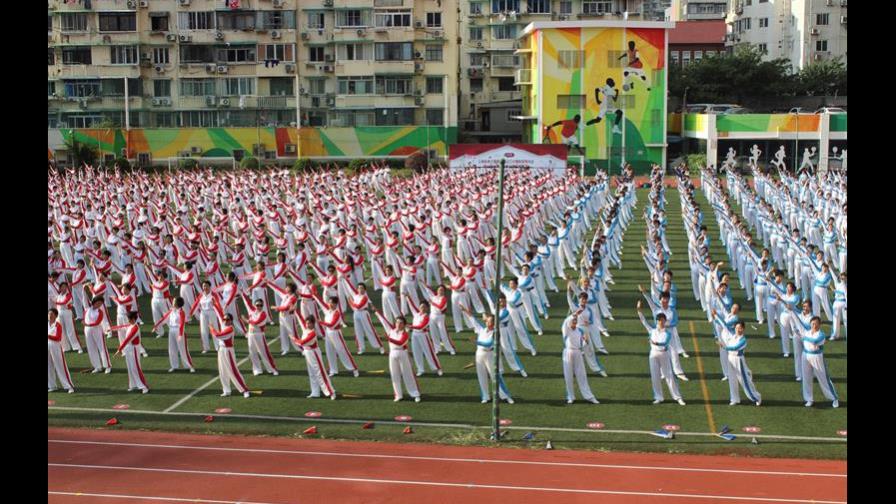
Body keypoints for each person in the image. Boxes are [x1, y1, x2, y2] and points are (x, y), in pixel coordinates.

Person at [461, 307, 514, 404]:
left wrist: (476, 342)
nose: (486, 322)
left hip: (490, 355)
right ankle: (485, 396)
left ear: (494, 323)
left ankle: (506, 396)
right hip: (479, 354)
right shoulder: (482, 329)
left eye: (489, 321)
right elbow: (474, 321)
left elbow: (489, 343)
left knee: (495, 376)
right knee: (481, 376)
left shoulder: (496, 332)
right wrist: (465, 310)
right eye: (486, 321)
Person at [637, 300, 686, 406]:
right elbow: (643, 321)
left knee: (669, 376)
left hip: (664, 354)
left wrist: (655, 343)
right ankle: (658, 397)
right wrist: (639, 310)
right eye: (659, 320)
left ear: (665, 321)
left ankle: (678, 397)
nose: (661, 322)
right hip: (653, 355)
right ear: (657, 321)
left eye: (663, 320)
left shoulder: (668, 333)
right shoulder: (652, 331)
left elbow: (665, 343)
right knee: (655, 376)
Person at [374, 311, 421, 402]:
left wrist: (388, 339)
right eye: (397, 322)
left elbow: (400, 343)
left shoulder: (405, 334)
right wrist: (377, 312)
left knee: (408, 374)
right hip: (392, 354)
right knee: (394, 375)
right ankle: (398, 395)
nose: (398, 324)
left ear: (404, 325)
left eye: (401, 323)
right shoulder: (391, 331)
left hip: (402, 354)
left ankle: (415, 393)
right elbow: (384, 321)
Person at [716, 320, 762, 406]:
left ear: (743, 329)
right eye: (736, 328)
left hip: (738, 360)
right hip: (730, 358)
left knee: (744, 381)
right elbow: (724, 325)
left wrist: (724, 347)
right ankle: (734, 399)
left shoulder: (743, 340)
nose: (738, 330)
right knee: (732, 379)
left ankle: (757, 397)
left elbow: (735, 348)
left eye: (740, 328)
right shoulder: (733, 336)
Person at [294, 312, 337, 400]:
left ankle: (331, 392)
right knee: (312, 373)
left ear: (313, 324)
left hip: (314, 353)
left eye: (309, 323)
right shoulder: (306, 329)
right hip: (307, 352)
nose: (307, 325)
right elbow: (301, 319)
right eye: (307, 323)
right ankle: (315, 392)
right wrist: (296, 311)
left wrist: (294, 339)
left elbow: (302, 342)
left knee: (320, 372)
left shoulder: (312, 333)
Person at [800, 316, 839, 408]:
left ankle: (834, 398)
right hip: (805, 355)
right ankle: (809, 399)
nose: (814, 325)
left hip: (817, 356)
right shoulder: (807, 332)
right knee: (806, 378)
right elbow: (799, 323)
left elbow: (815, 341)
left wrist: (805, 338)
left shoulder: (821, 335)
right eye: (812, 323)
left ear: (819, 325)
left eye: (816, 324)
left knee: (823, 378)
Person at [560, 314, 599, 404]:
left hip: (577, 352)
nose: (574, 321)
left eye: (575, 320)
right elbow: (565, 322)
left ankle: (589, 397)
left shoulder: (580, 330)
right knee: (568, 376)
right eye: (573, 320)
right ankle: (570, 397)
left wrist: (586, 338)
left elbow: (583, 343)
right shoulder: (566, 330)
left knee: (582, 375)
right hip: (567, 352)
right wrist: (575, 314)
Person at [210, 314, 251, 398]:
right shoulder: (224, 325)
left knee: (233, 370)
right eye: (224, 319)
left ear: (231, 321)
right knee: (222, 371)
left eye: (227, 319)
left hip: (228, 351)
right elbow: (219, 313)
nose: (225, 321)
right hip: (221, 350)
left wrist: (211, 328)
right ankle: (226, 390)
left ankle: (245, 390)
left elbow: (218, 335)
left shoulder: (230, 329)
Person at [240, 293, 279, 376]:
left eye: (260, 305)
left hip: (259, 334)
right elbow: (247, 301)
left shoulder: (263, 314)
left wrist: (246, 320)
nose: (259, 307)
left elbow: (257, 322)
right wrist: (242, 292)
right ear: (255, 305)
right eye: (257, 305)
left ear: (262, 306)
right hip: (251, 334)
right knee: (252, 352)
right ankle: (257, 369)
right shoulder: (252, 311)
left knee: (264, 352)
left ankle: (272, 369)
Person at [111, 311, 149, 394]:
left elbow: (128, 339)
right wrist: (111, 328)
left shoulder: (135, 328)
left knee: (135, 367)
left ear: (133, 319)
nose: (128, 320)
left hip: (134, 349)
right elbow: (121, 327)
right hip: (128, 348)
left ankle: (144, 386)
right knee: (130, 367)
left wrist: (119, 349)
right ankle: (133, 385)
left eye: (129, 319)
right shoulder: (130, 325)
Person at [48, 309, 75, 394]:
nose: (50, 316)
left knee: (60, 366)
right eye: (49, 314)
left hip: (55, 346)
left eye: (52, 314)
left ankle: (69, 386)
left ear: (56, 316)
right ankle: (52, 386)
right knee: (48, 366)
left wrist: (48, 336)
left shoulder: (58, 325)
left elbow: (58, 338)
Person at [82, 296, 112, 374]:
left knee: (102, 347)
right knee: (91, 348)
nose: (99, 305)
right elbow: (84, 318)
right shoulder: (87, 309)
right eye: (98, 303)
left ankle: (107, 366)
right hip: (87, 330)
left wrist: (87, 324)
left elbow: (97, 322)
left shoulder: (100, 312)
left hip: (97, 330)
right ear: (94, 302)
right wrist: (84, 323)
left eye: (101, 303)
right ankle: (97, 366)